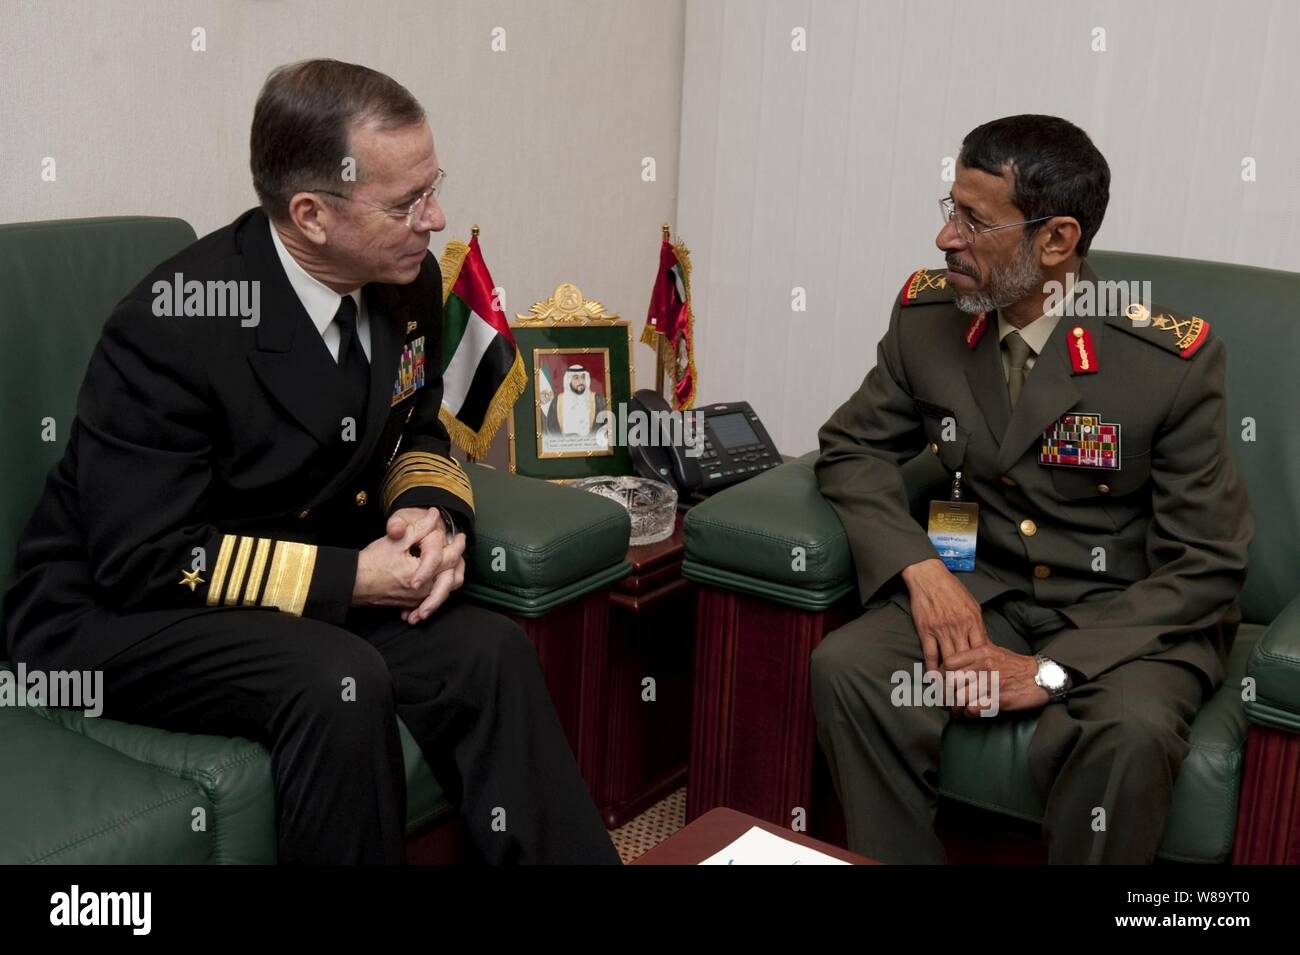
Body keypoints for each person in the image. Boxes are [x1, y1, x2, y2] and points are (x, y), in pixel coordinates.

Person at [3, 58, 619, 865]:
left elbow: (419, 426)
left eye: (434, 185)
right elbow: (145, 558)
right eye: (406, 203)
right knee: (339, 683)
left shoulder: (404, 284)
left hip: (293, 575)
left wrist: (425, 515)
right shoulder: (173, 326)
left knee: (487, 652)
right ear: (310, 215)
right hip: (119, 608)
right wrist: (354, 578)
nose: (436, 218)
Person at [811, 114, 1252, 864]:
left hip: (1126, 617)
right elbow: (850, 448)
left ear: (1056, 242)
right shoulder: (929, 318)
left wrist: (1050, 671)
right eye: (950, 208)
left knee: (1131, 732)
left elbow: (1207, 562)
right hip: (984, 588)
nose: (946, 238)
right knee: (851, 666)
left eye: (975, 221)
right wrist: (920, 571)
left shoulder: (1165, 361)